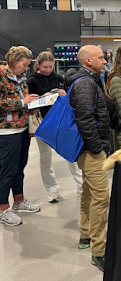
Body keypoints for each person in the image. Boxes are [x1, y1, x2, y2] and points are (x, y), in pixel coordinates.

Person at [64, 45, 110, 272]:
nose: (105, 60)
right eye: (101, 57)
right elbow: (84, 119)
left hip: (87, 149)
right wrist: (96, 149)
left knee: (89, 192)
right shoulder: (85, 83)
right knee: (101, 197)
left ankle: (85, 235)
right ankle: (99, 251)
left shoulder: (90, 80)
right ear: (88, 61)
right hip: (90, 150)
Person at [27, 51, 82, 202]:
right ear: (38, 65)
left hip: (61, 119)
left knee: (71, 153)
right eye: (45, 67)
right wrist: (42, 97)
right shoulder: (31, 80)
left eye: (51, 66)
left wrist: (64, 94)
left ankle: (81, 185)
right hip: (42, 122)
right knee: (45, 158)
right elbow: (28, 103)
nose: (48, 69)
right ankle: (52, 189)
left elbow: (69, 99)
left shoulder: (59, 78)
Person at [0, 46, 41, 227]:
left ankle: (19, 200)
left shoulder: (21, 78)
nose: (27, 68)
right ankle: (3, 208)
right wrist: (21, 102)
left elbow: (24, 99)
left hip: (22, 128)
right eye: (24, 65)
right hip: (6, 131)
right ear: (13, 61)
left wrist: (40, 98)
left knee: (19, 168)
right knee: (6, 171)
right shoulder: (1, 76)